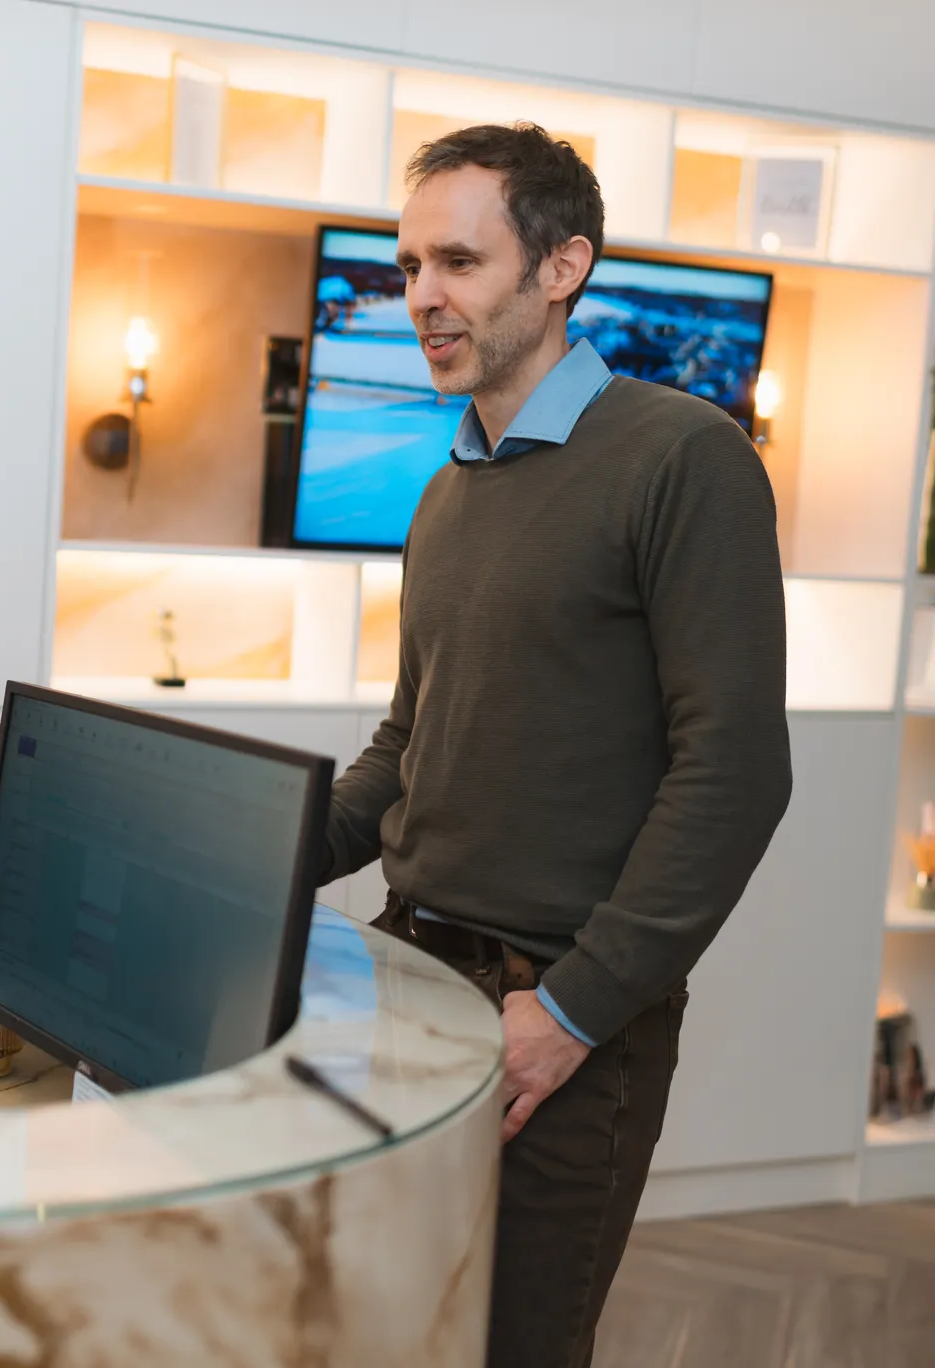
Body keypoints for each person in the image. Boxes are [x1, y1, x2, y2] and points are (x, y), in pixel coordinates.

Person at [319, 124, 791, 1367]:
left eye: (459, 262)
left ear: (561, 265)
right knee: (380, 1333)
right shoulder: (446, 489)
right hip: (405, 976)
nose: (421, 295)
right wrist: (231, 855)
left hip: (557, 1022)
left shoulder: (686, 459)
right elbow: (405, 752)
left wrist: (572, 1014)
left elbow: (736, 773)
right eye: (410, 264)